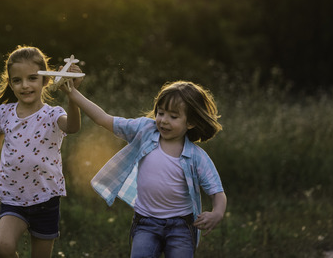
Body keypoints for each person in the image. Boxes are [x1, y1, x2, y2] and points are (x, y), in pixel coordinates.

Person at [65, 80, 226, 258]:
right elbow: (103, 119)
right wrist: (73, 93)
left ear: (191, 122)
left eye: (173, 117)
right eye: (161, 112)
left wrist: (217, 213)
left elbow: (217, 192)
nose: (164, 120)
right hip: (146, 223)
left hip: (181, 226)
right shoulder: (145, 130)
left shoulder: (197, 157)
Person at [0, 46, 81, 258]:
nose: (25, 85)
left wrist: (72, 93)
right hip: (13, 199)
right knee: (4, 248)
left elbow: (73, 127)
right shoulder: (5, 113)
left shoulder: (53, 114)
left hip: (46, 199)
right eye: (17, 80)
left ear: (46, 80)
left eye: (32, 78)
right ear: (10, 83)